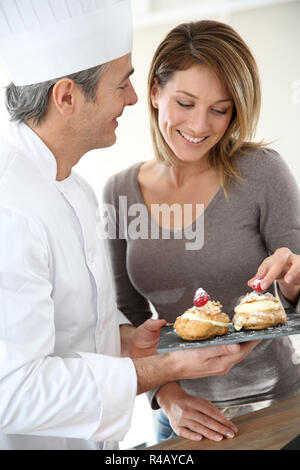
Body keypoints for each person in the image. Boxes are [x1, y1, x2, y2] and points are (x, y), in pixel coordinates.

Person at [0, 2, 258, 451]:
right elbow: (13, 391)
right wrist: (168, 370)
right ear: (66, 97)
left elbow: (77, 317)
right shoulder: (10, 208)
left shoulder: (74, 188)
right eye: (123, 83)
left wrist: (125, 337)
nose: (134, 98)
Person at [103, 19, 300, 443]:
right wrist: (166, 395)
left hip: (276, 404)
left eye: (220, 108)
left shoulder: (263, 173)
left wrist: (295, 282)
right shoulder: (118, 190)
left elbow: (291, 290)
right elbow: (128, 315)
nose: (199, 126)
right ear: (155, 92)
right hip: (177, 419)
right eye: (186, 102)